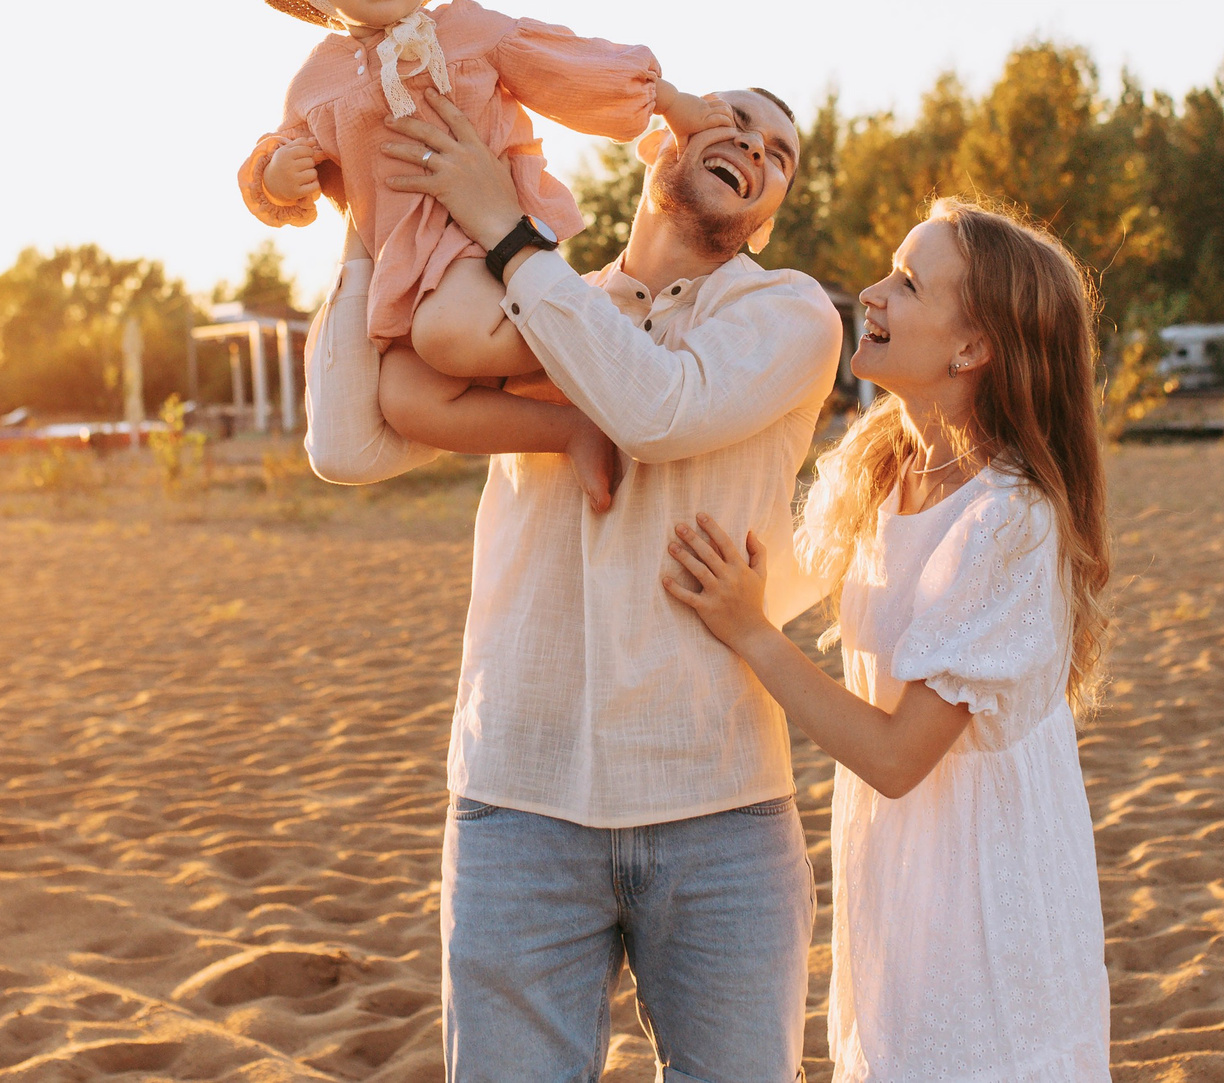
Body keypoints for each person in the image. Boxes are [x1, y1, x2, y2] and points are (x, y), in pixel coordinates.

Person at [304, 85, 842, 1083]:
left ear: (767, 218)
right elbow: (347, 442)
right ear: (655, 140)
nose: (753, 145)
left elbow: (656, 412)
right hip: (518, 800)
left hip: (718, 808)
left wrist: (503, 229)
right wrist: (369, 212)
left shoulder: (788, 312)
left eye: (779, 153)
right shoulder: (534, 298)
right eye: (730, 119)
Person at [664, 197, 1115, 1083]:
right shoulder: (883, 459)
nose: (871, 292)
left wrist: (751, 631)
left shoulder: (1008, 520)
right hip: (901, 857)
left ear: (971, 347)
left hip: (983, 877)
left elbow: (900, 755)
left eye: (907, 283)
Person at [239, 0, 732, 488]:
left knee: (446, 335)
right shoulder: (316, 80)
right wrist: (278, 176)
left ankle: (616, 331)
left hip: (487, 245)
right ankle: (568, 429)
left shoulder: (469, 31)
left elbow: (567, 67)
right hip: (404, 269)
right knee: (405, 397)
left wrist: (668, 101)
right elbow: (280, 148)